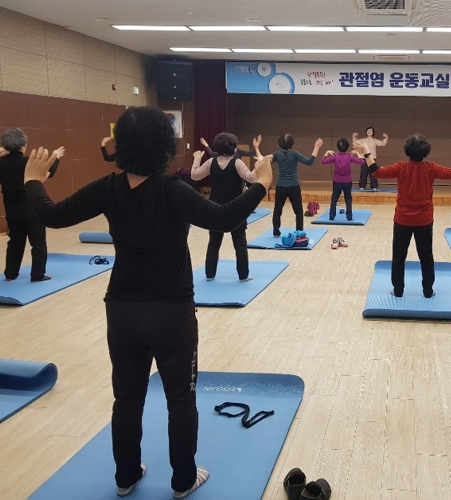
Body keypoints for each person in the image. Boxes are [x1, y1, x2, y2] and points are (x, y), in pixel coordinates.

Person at [22, 106, 273, 498]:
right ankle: (183, 480)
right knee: (180, 399)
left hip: (122, 310)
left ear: (120, 146)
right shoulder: (173, 190)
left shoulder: (108, 187)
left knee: (126, 399)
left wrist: (33, 180)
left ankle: (126, 476)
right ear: (164, 147)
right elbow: (224, 219)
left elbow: (51, 215)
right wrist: (262, 185)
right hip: (171, 313)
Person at [355, 135, 451, 298]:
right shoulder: (431, 168)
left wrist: (367, 153)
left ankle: (398, 290)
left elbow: (377, 172)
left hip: (402, 219)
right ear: (426, 152)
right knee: (426, 257)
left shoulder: (401, 167)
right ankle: (428, 291)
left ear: (407, 150)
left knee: (399, 257)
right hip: (424, 220)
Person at [191, 132, 258, 282]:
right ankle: (243, 275)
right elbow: (252, 179)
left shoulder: (211, 162)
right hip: (236, 209)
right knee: (240, 243)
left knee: (214, 242)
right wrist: (259, 166)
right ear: (234, 147)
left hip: (215, 207)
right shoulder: (237, 163)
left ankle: (210, 274)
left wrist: (197, 158)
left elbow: (194, 175)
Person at [0, 128, 64, 282]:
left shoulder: (1, 163)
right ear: (23, 146)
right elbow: (48, 172)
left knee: (15, 241)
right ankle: (37, 275)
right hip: (32, 208)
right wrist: (56, 157)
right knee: (38, 243)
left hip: (11, 209)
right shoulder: (28, 162)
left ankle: (10, 274)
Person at [254, 133, 322, 237]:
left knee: (277, 211)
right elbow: (309, 162)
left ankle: (276, 232)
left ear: (280, 144)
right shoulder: (295, 154)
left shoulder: (277, 154)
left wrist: (256, 147)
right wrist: (316, 147)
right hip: (294, 186)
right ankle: (299, 232)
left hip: (280, 186)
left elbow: (263, 160)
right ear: (292, 144)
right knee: (298, 212)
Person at [321, 138, 365, 221]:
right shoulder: (349, 157)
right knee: (348, 199)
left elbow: (323, 161)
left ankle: (331, 216)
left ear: (338, 147)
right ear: (347, 147)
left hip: (337, 181)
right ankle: (349, 217)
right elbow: (362, 162)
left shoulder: (335, 156)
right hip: (347, 181)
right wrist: (357, 153)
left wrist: (327, 152)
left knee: (334, 198)